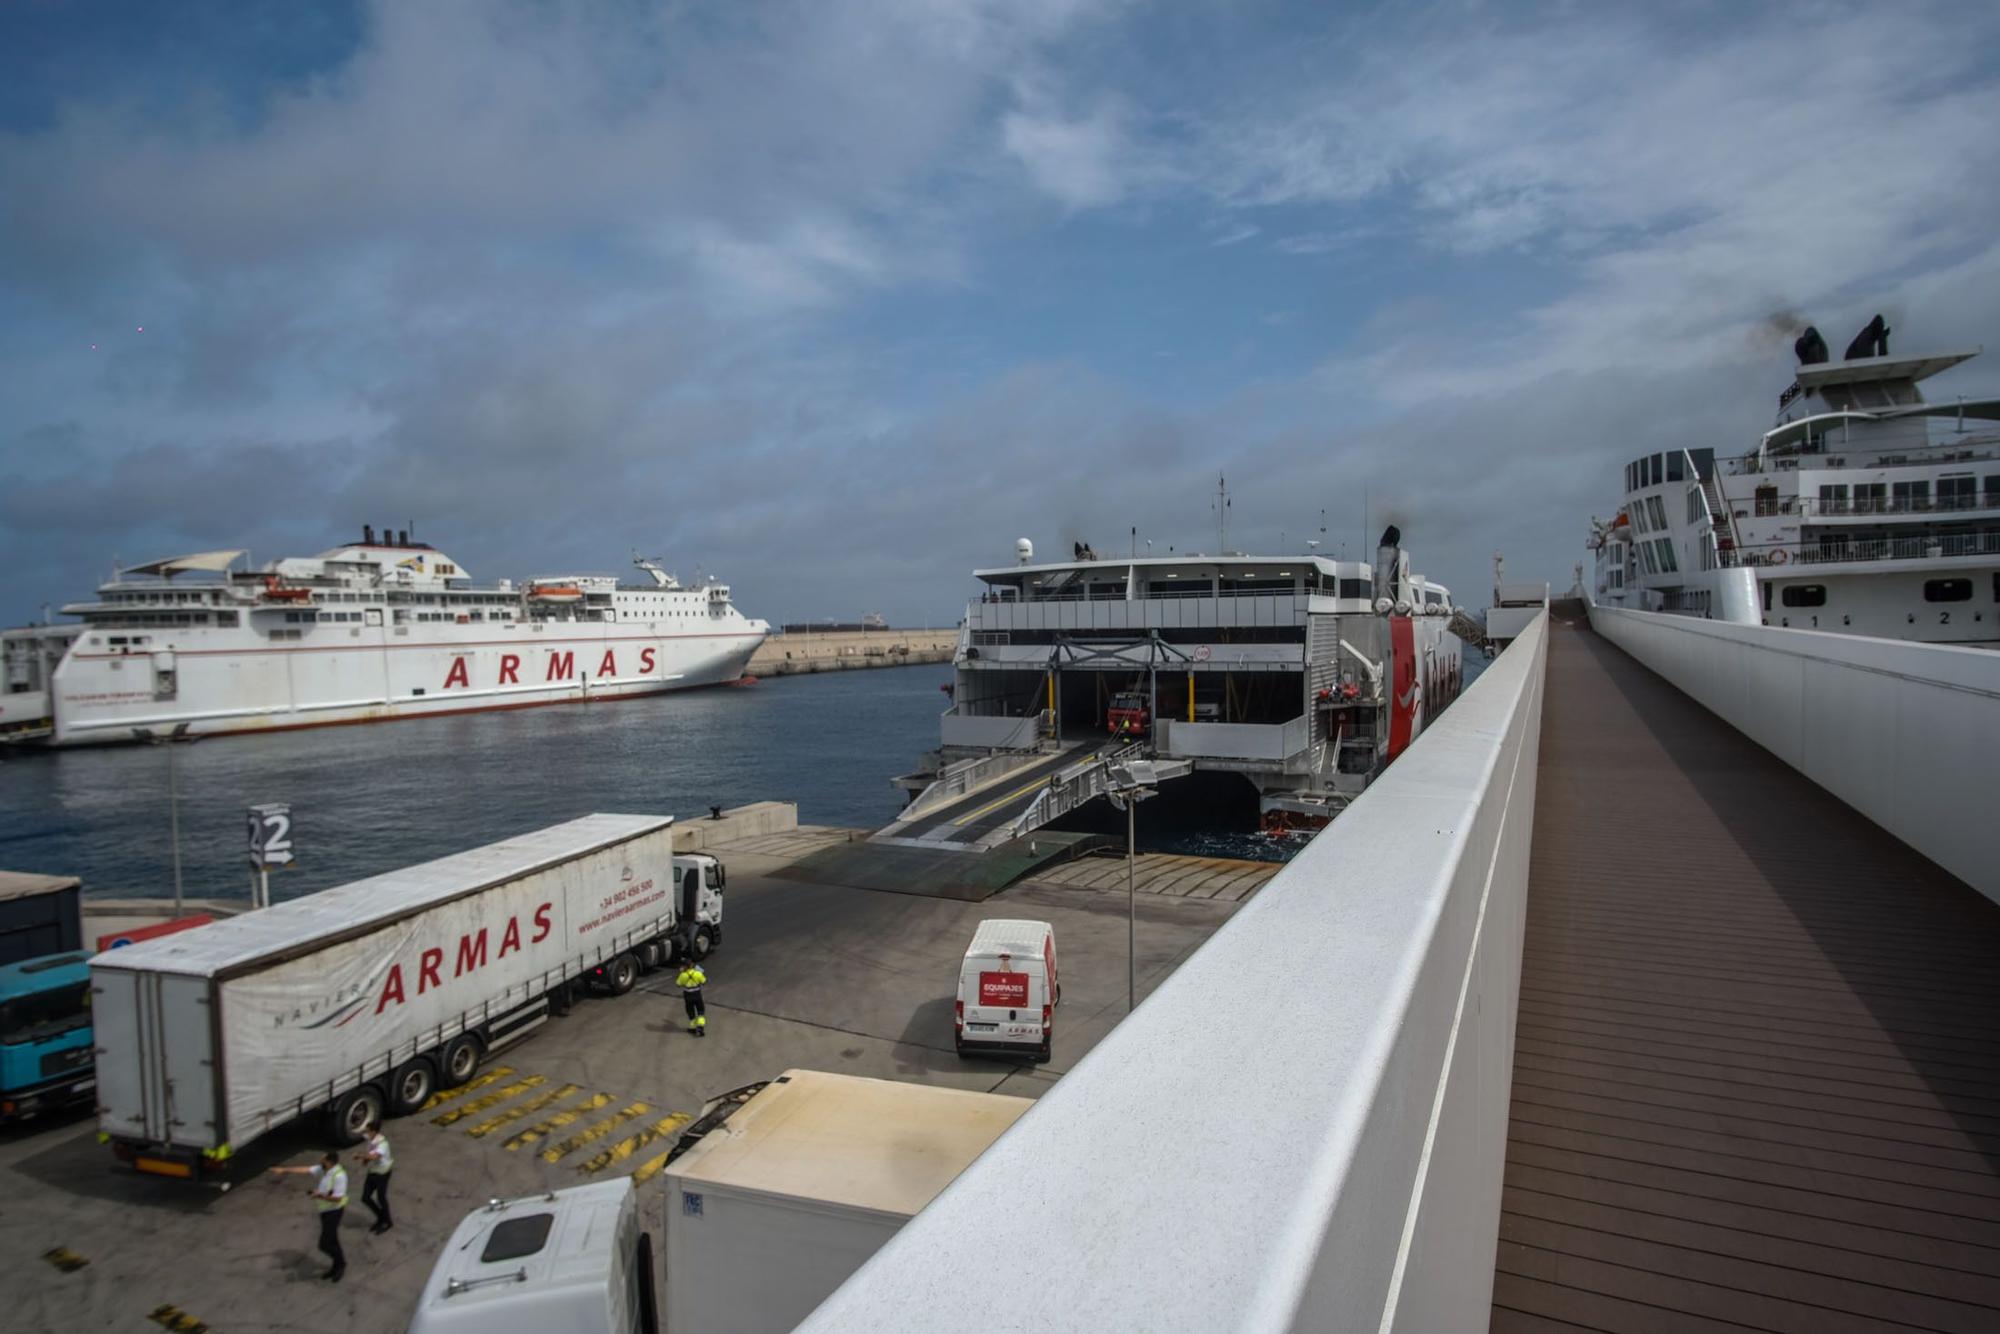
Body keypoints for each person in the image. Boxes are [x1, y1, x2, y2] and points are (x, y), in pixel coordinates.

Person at [269, 1151, 348, 1281]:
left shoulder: (339, 1176)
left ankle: (341, 1264)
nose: (321, 1159)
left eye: (323, 1158)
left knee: (324, 1244)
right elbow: (305, 1169)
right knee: (332, 1240)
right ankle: (337, 1266)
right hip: (325, 1211)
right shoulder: (323, 1169)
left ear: (329, 1162)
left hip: (334, 1211)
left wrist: (319, 1195)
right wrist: (284, 1169)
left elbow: (338, 1199)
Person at [356, 1121, 394, 1233]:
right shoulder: (370, 1136)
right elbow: (362, 1134)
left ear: (374, 1131)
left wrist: (360, 1156)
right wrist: (365, 1160)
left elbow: (375, 1156)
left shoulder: (382, 1143)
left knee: (381, 1198)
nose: (366, 1133)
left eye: (368, 1131)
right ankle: (381, 1217)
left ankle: (387, 1222)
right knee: (365, 1197)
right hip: (373, 1171)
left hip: (383, 1172)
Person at [676, 958, 708, 1037]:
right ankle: (700, 1028)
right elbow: (704, 982)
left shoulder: (682, 975)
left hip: (688, 997)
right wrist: (700, 972)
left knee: (691, 1012)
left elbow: (678, 984)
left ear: (684, 967)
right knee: (700, 1011)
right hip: (697, 995)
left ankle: (693, 1028)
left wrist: (682, 973)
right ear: (692, 965)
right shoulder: (698, 973)